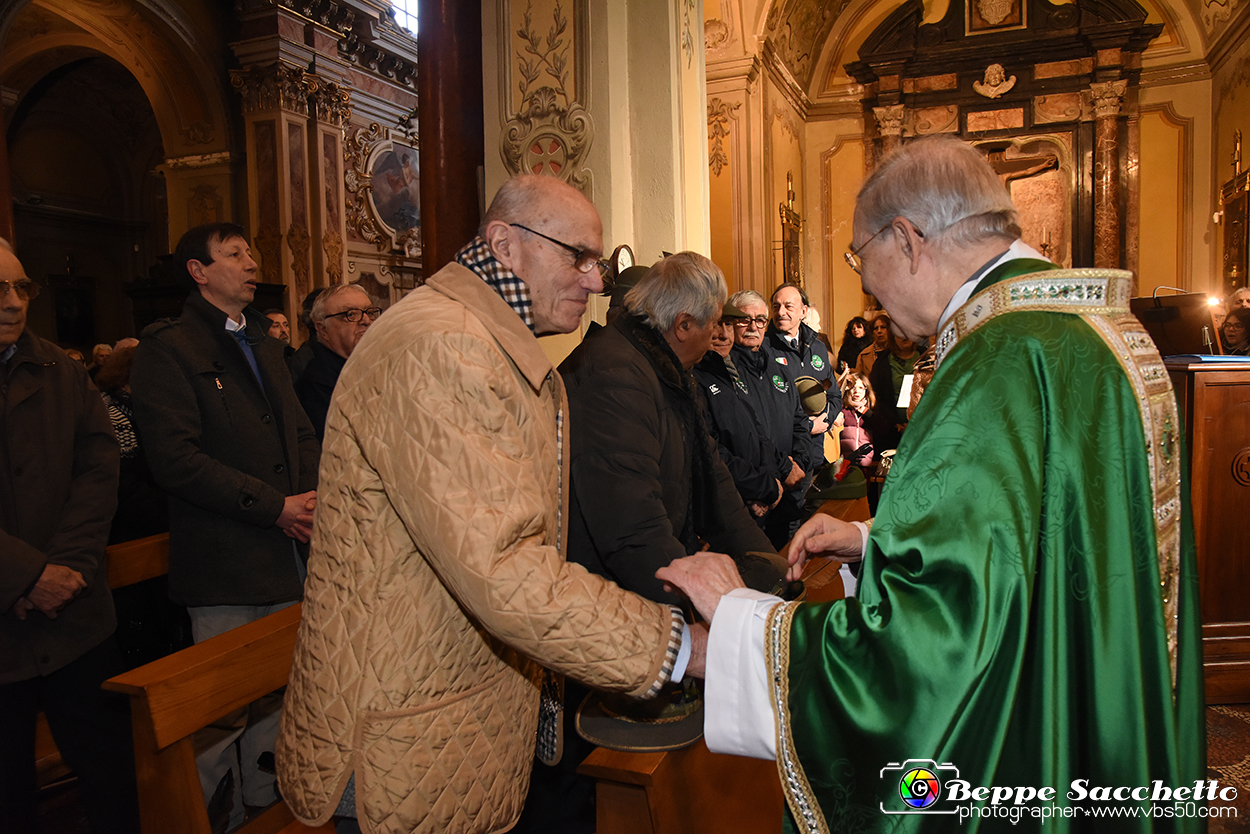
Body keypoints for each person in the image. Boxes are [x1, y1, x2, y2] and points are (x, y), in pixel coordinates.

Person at [657, 136, 1204, 832]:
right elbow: (1031, 551)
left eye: (863, 261)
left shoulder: (997, 363)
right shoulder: (1091, 335)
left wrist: (737, 624)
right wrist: (873, 539)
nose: (869, 293)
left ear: (909, 240)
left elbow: (926, 651)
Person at [275, 175, 697, 834]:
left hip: (447, 710)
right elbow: (502, 566)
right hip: (404, 736)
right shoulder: (442, 344)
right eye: (578, 257)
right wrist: (675, 648)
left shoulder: (477, 337)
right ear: (504, 244)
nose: (595, 282)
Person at [131, 222, 320, 832]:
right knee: (220, 711)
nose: (251, 262)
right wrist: (274, 505)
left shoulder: (264, 339)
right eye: (234, 254)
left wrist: (313, 494)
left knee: (279, 699)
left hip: (286, 549)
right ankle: (218, 819)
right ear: (197, 271)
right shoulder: (171, 346)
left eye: (252, 253)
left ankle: (272, 812)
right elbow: (175, 460)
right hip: (225, 559)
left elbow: (298, 429)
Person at [0, 238, 139, 834]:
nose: (13, 303)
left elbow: (98, 467)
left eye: (21, 288)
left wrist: (70, 567)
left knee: (114, 784)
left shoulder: (59, 369)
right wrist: (28, 574)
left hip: (78, 619)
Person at [561, 253, 780, 604]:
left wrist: (773, 569)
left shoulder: (665, 367)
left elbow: (715, 481)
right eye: (713, 324)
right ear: (683, 325)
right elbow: (632, 526)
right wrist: (706, 608)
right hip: (610, 600)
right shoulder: (615, 376)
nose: (715, 337)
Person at [729, 289, 817, 546]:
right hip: (751, 499)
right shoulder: (725, 372)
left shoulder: (779, 370)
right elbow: (740, 438)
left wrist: (799, 464)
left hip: (787, 493)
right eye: (744, 320)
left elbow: (799, 421)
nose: (752, 327)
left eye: (760, 320)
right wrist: (768, 481)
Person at [693, 302, 788, 522]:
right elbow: (712, 452)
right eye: (716, 324)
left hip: (760, 500)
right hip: (727, 508)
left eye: (728, 324)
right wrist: (760, 488)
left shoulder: (731, 372)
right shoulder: (696, 379)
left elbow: (758, 434)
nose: (724, 335)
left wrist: (770, 484)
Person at [293, 284, 380, 439]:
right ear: (323, 329)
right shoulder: (316, 382)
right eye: (351, 314)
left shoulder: (378, 365)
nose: (366, 320)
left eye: (370, 312)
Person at [865, 321, 918, 453]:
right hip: (893, 428)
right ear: (893, 337)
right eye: (900, 334)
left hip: (923, 426)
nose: (905, 337)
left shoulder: (926, 357)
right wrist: (895, 422)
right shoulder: (882, 362)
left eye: (908, 333)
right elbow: (877, 396)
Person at [836, 371, 874, 467]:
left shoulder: (871, 410)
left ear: (866, 390)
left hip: (866, 462)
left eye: (861, 388)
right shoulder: (843, 409)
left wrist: (868, 413)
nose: (857, 391)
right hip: (845, 462)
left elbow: (882, 428)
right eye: (853, 388)